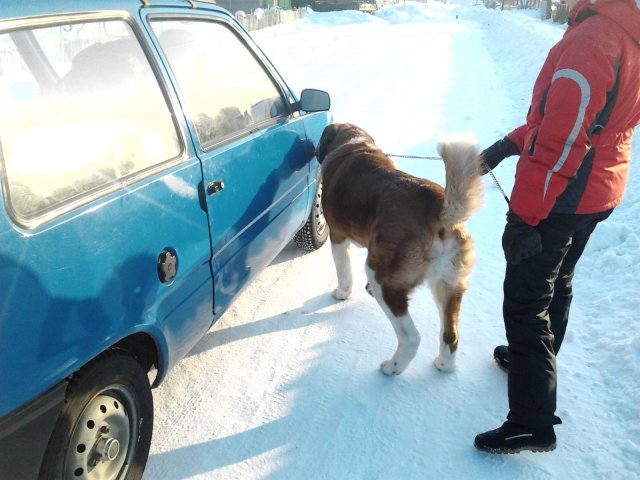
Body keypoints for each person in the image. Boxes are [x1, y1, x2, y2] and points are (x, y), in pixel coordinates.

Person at [474, 0, 640, 454]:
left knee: (525, 302)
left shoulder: (593, 41)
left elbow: (560, 143)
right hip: (600, 188)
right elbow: (581, 121)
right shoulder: (626, 32)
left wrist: (522, 218)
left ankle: (531, 422)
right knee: (557, 280)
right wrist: (507, 145)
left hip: (565, 196)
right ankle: (534, 366)